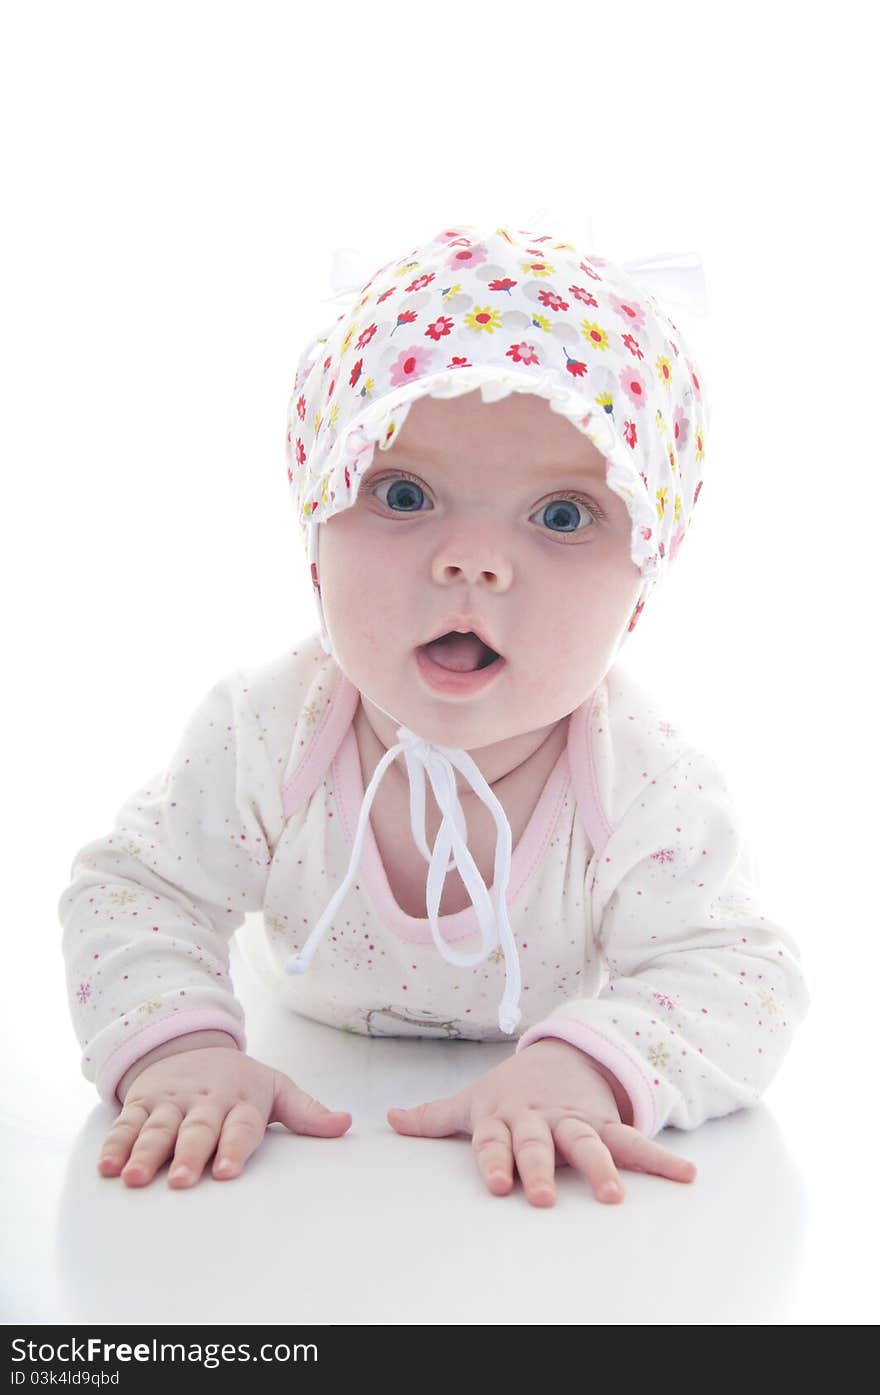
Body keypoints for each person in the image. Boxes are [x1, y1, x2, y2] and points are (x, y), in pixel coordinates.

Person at [58, 221, 810, 1207]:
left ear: (641, 589)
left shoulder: (642, 779)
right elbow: (134, 888)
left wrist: (592, 1067)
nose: (472, 562)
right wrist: (181, 1046)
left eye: (561, 516)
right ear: (315, 537)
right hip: (311, 1156)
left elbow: (743, 976)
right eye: (403, 494)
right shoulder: (267, 730)